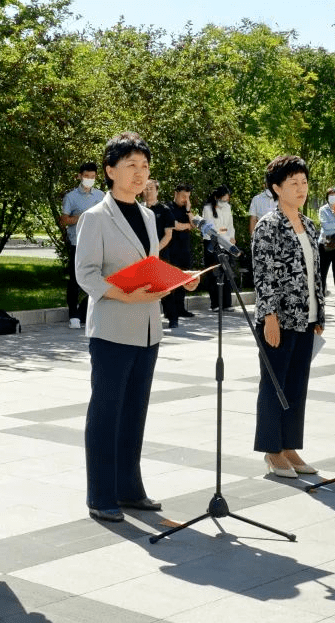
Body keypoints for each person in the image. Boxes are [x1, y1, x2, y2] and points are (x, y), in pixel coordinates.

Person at [75, 132, 199, 522]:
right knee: (106, 413)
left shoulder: (148, 215)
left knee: (134, 412)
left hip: (148, 329)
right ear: (110, 171)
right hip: (112, 328)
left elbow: (149, 266)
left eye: (144, 166)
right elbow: (86, 274)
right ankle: (101, 495)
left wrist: (180, 278)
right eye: (131, 166)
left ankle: (130, 488)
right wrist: (124, 295)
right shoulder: (95, 217)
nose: (139, 174)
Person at [251, 155, 324, 478]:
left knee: (296, 385)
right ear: (277, 188)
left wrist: (319, 311)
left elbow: (315, 273)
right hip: (278, 319)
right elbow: (263, 274)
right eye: (293, 183)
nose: (300, 189)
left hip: (305, 318)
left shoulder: (308, 225)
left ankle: (290, 445)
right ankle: (272, 450)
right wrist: (268, 316)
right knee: (275, 386)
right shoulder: (268, 225)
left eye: (304, 182)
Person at [60, 162, 105, 328]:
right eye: (86, 176)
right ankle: (73, 316)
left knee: (98, 279)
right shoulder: (71, 197)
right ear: (80, 176)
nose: (89, 180)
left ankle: (90, 312)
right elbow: (64, 221)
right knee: (75, 280)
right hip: (77, 244)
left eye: (92, 177)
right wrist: (83, 216)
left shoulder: (101, 195)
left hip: (97, 244)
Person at [144, 179, 180, 328]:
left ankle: (172, 317)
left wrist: (155, 250)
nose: (148, 191)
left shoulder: (164, 210)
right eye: (145, 188)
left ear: (157, 191)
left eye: (151, 188)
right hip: (143, 255)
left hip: (161, 253)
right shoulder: (139, 209)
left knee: (165, 287)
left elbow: (168, 235)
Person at [162, 183, 196, 321]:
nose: (185, 199)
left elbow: (194, 225)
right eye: (183, 196)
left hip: (184, 249)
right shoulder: (167, 208)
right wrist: (187, 226)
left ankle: (181, 309)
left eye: (187, 197)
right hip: (171, 249)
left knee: (184, 278)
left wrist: (189, 211)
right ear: (175, 193)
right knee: (170, 281)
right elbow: (175, 225)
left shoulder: (186, 210)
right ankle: (170, 311)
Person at [201, 185, 235, 310]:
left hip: (226, 243)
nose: (225, 202)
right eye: (222, 199)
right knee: (214, 273)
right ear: (216, 198)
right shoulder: (207, 209)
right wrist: (223, 233)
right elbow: (209, 229)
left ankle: (227, 303)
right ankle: (215, 303)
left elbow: (230, 225)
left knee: (226, 272)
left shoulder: (228, 207)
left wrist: (231, 237)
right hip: (212, 243)